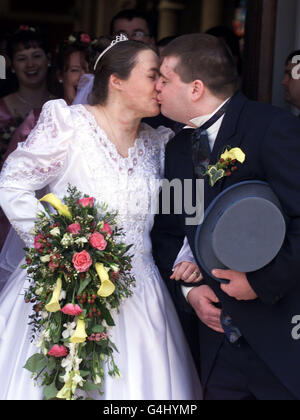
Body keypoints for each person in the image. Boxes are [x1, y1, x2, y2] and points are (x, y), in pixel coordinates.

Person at [0, 37, 201, 400]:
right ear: (116, 81)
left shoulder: (161, 142)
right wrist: (56, 248)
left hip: (140, 295)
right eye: (153, 75)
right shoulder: (69, 126)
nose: (161, 86)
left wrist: (189, 255)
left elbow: (188, 211)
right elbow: (12, 183)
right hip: (64, 288)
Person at [152, 33, 300, 400]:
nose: (155, 87)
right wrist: (190, 291)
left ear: (196, 88)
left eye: (165, 80)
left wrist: (260, 283)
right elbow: (173, 230)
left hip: (278, 338)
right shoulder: (177, 148)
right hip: (215, 347)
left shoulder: (272, 128)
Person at [0, 26, 54, 252]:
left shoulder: (61, 107)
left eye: (36, 56)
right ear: (12, 65)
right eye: (22, 58)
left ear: (49, 59)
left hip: (50, 203)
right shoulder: (2, 107)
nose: (30, 64)